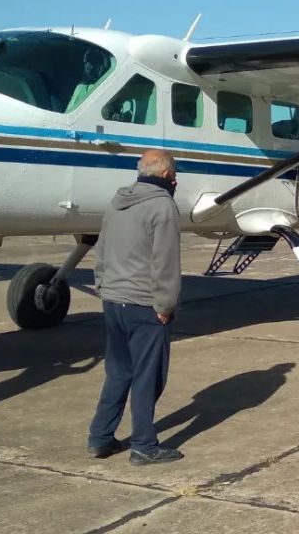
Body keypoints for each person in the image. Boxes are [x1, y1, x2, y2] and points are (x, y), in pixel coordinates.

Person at [87, 149, 183, 465]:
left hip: (113, 301)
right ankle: (144, 444)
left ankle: (100, 438)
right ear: (169, 176)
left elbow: (100, 252)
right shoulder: (163, 207)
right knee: (147, 376)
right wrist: (166, 305)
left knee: (118, 372)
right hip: (145, 305)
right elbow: (165, 261)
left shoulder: (115, 204)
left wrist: (102, 287)